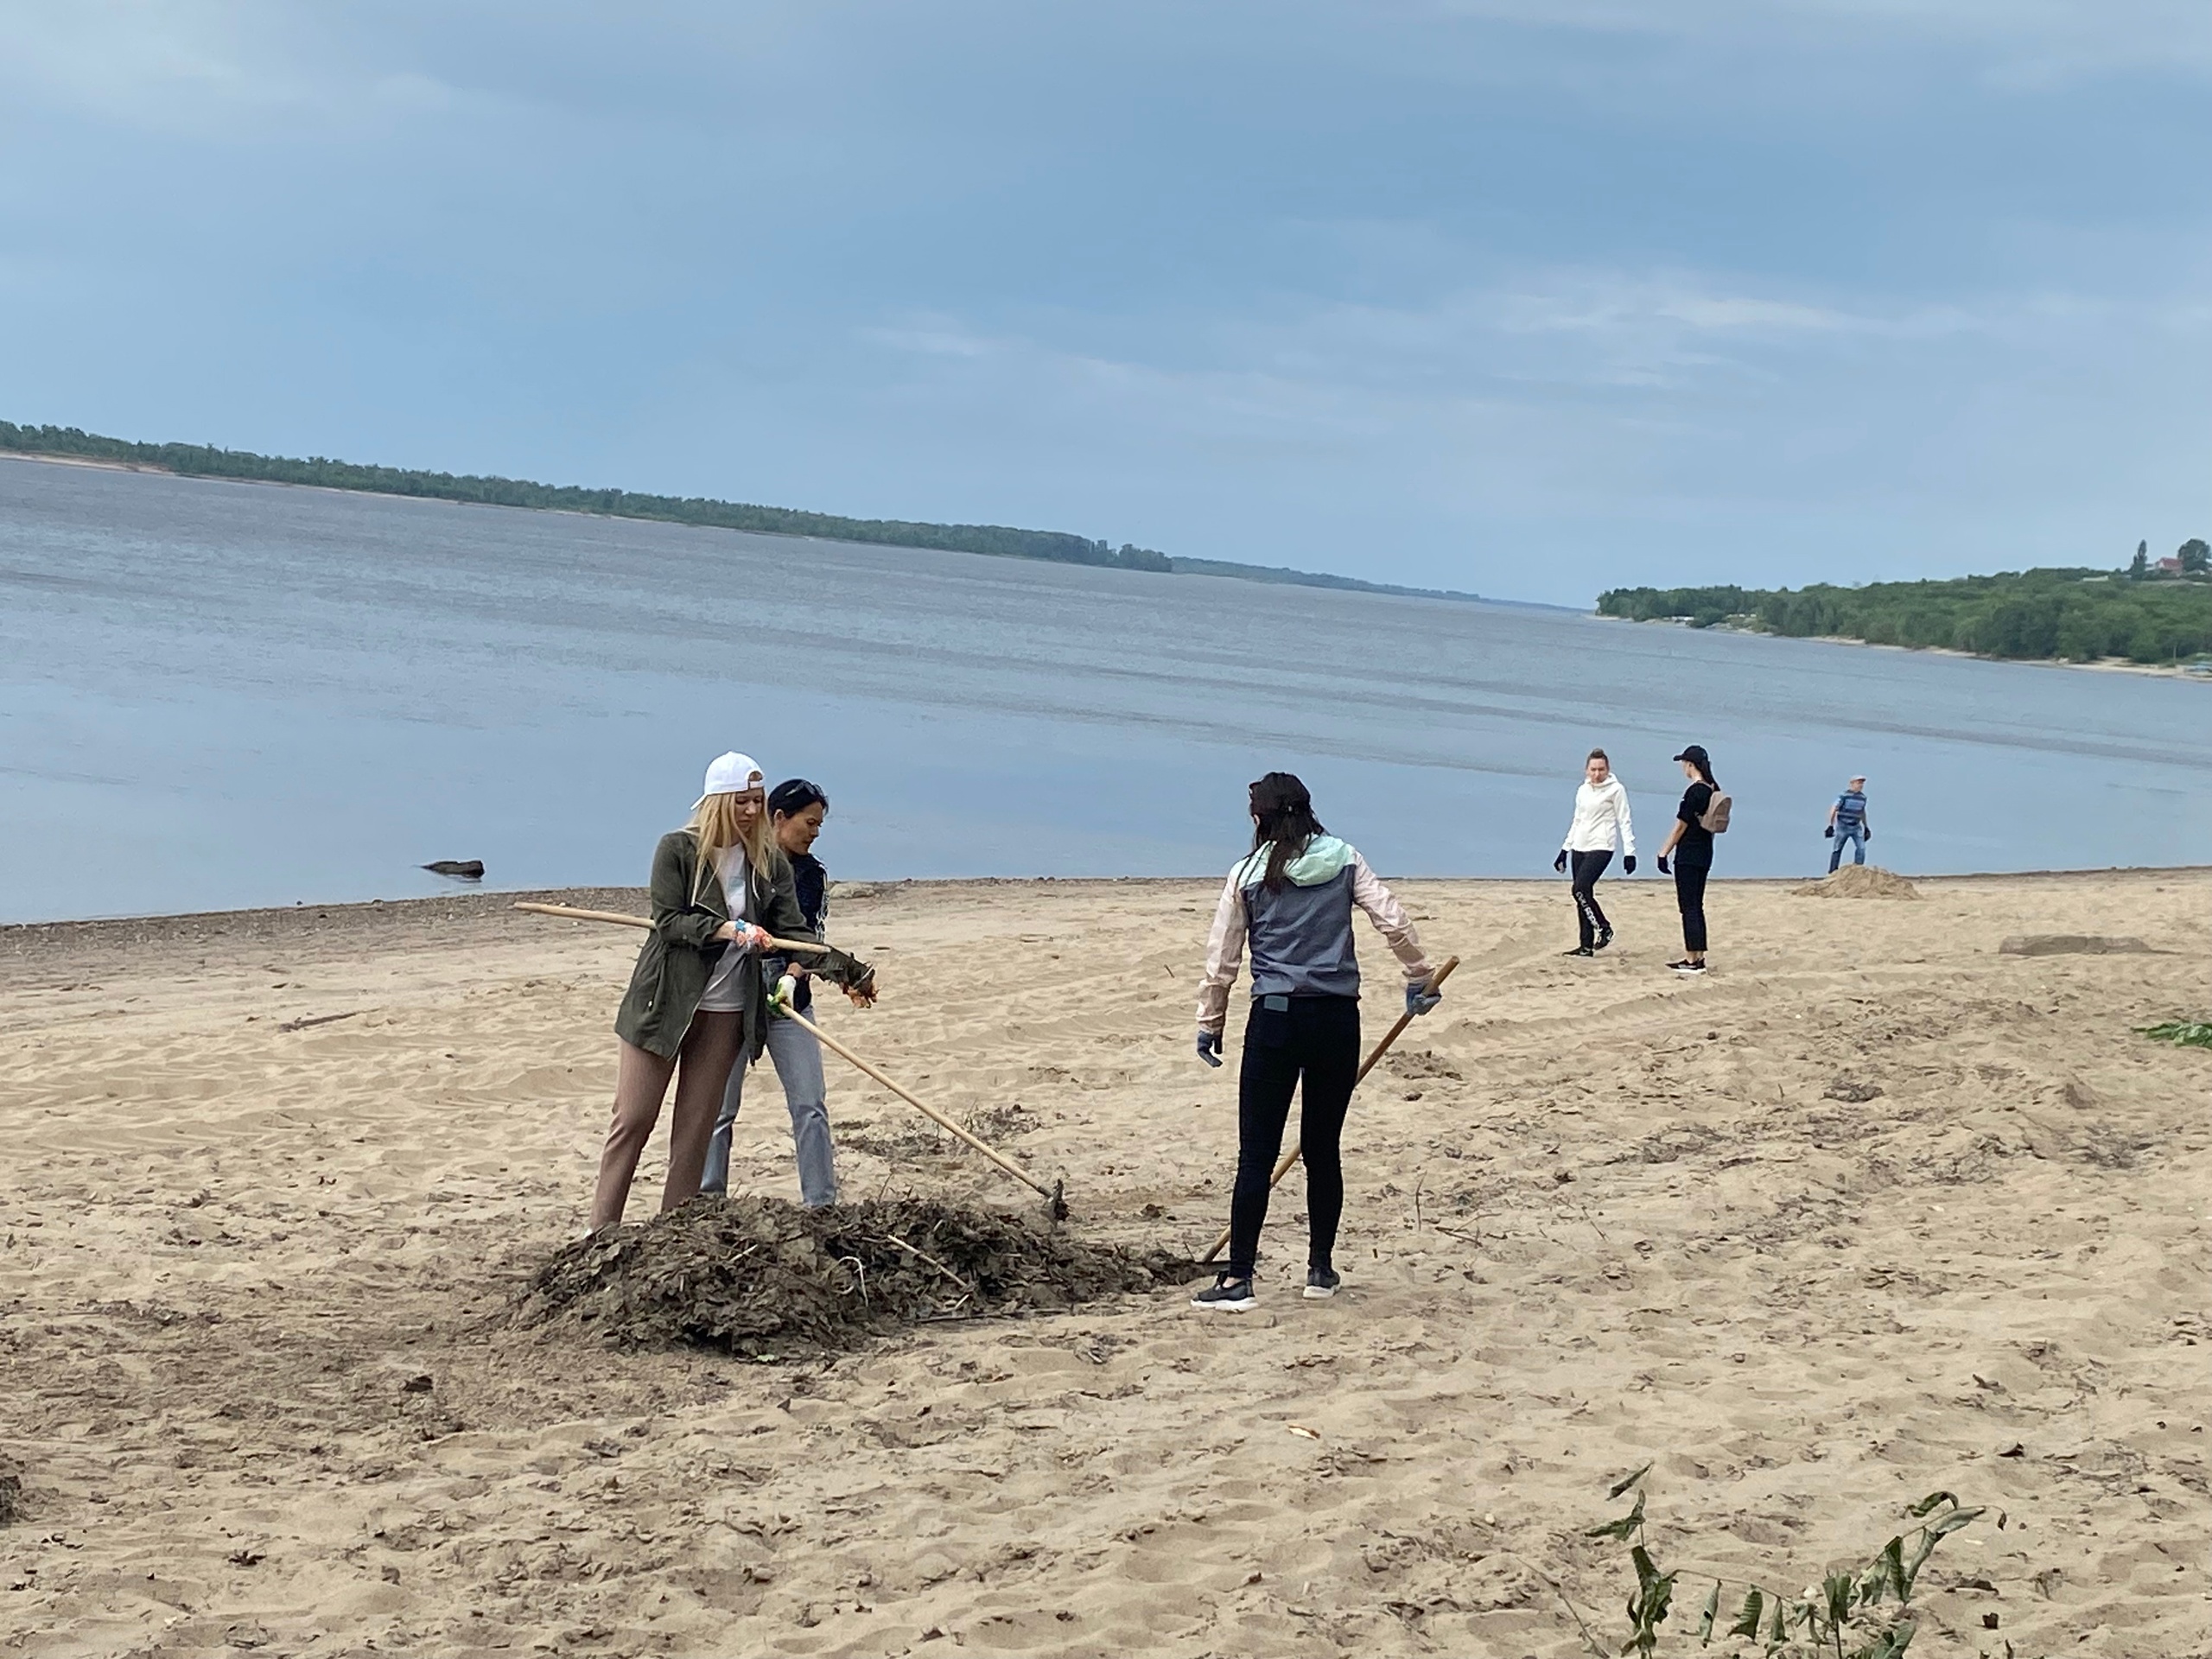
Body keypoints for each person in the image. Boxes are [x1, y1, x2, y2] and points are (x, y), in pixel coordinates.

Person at [588, 753, 874, 1233]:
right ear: (718, 802)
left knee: (696, 1131)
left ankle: (672, 1234)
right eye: (741, 800)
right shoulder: (678, 849)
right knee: (634, 1120)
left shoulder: (768, 864)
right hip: (664, 1004)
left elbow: (793, 933)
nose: (750, 810)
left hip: (726, 1011)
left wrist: (846, 970)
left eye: (756, 801)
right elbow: (669, 920)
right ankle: (599, 1232)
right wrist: (725, 929)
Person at [1190, 772, 1440, 1313]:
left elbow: (1222, 961)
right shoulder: (1345, 858)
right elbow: (1392, 921)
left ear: (1260, 818)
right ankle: (1320, 1270)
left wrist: (1211, 1023)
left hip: (1276, 1021)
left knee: (1256, 1153)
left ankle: (1239, 1280)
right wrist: (1418, 976)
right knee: (1322, 1148)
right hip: (1335, 1021)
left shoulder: (1247, 874)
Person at [702, 778, 862, 1207]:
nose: (814, 832)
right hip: (736, 997)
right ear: (778, 818)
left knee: (810, 1105)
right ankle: (707, 1200)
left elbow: (807, 939)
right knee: (719, 1108)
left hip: (791, 1000)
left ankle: (821, 1204)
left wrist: (793, 975)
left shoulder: (811, 875)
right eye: (809, 822)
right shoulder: (744, 863)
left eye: (820, 826)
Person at [1554, 748, 1637, 956]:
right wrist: (1564, 850)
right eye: (1593, 769)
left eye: (1601, 769)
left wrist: (1630, 852)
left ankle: (1604, 927)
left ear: (1608, 769)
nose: (1597, 774)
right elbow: (1577, 820)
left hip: (1602, 846)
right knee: (1584, 895)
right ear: (1586, 770)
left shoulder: (1616, 790)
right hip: (1579, 846)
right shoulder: (1582, 790)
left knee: (1579, 888)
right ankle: (1586, 945)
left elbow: (1624, 820)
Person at [1654, 745, 1719, 976]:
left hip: (1689, 855)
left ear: (1690, 765)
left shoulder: (1695, 792)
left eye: (1684, 763)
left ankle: (1692, 959)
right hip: (1705, 853)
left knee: (1688, 907)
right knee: (1697, 906)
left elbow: (1681, 825)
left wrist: (1664, 852)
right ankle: (1698, 955)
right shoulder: (1713, 789)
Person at [1826, 776, 1871, 872]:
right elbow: (1834, 808)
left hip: (1856, 826)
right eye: (1858, 783)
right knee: (1837, 848)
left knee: (1861, 848)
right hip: (1843, 826)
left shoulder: (1862, 798)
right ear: (1852, 784)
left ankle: (1858, 871)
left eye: (1862, 783)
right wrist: (1830, 825)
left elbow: (1862, 812)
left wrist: (1866, 827)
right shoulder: (1844, 796)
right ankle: (1833, 871)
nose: (1861, 785)